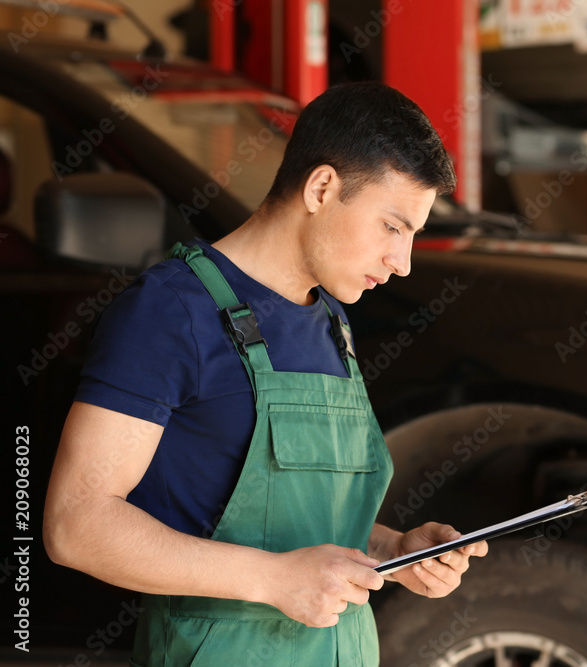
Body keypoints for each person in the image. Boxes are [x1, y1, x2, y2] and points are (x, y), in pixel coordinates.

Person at [43, 82, 487, 665]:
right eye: (392, 227)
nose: (402, 263)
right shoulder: (172, 310)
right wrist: (273, 580)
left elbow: (296, 520)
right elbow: (75, 525)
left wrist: (392, 550)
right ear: (322, 187)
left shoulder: (334, 322)